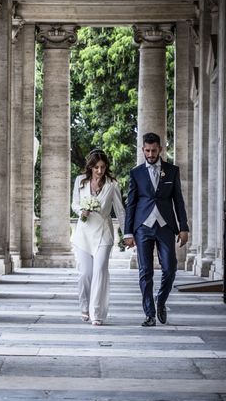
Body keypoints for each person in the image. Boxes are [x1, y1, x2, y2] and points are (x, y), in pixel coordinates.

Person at [123, 132, 189, 327]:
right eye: (147, 150)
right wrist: (128, 232)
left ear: (160, 149)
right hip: (142, 227)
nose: (150, 154)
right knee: (145, 271)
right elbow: (131, 204)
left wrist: (183, 227)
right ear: (143, 150)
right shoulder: (135, 173)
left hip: (165, 226)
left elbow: (178, 201)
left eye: (154, 150)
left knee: (170, 268)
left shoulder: (172, 171)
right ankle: (149, 314)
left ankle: (161, 300)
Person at [71, 150, 125, 326]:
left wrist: (128, 234)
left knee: (100, 272)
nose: (100, 171)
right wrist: (81, 211)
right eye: (96, 167)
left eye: (103, 167)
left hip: (103, 233)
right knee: (85, 273)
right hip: (84, 233)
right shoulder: (80, 181)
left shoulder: (113, 184)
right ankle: (84, 307)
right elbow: (74, 203)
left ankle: (97, 313)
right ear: (90, 167)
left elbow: (120, 210)